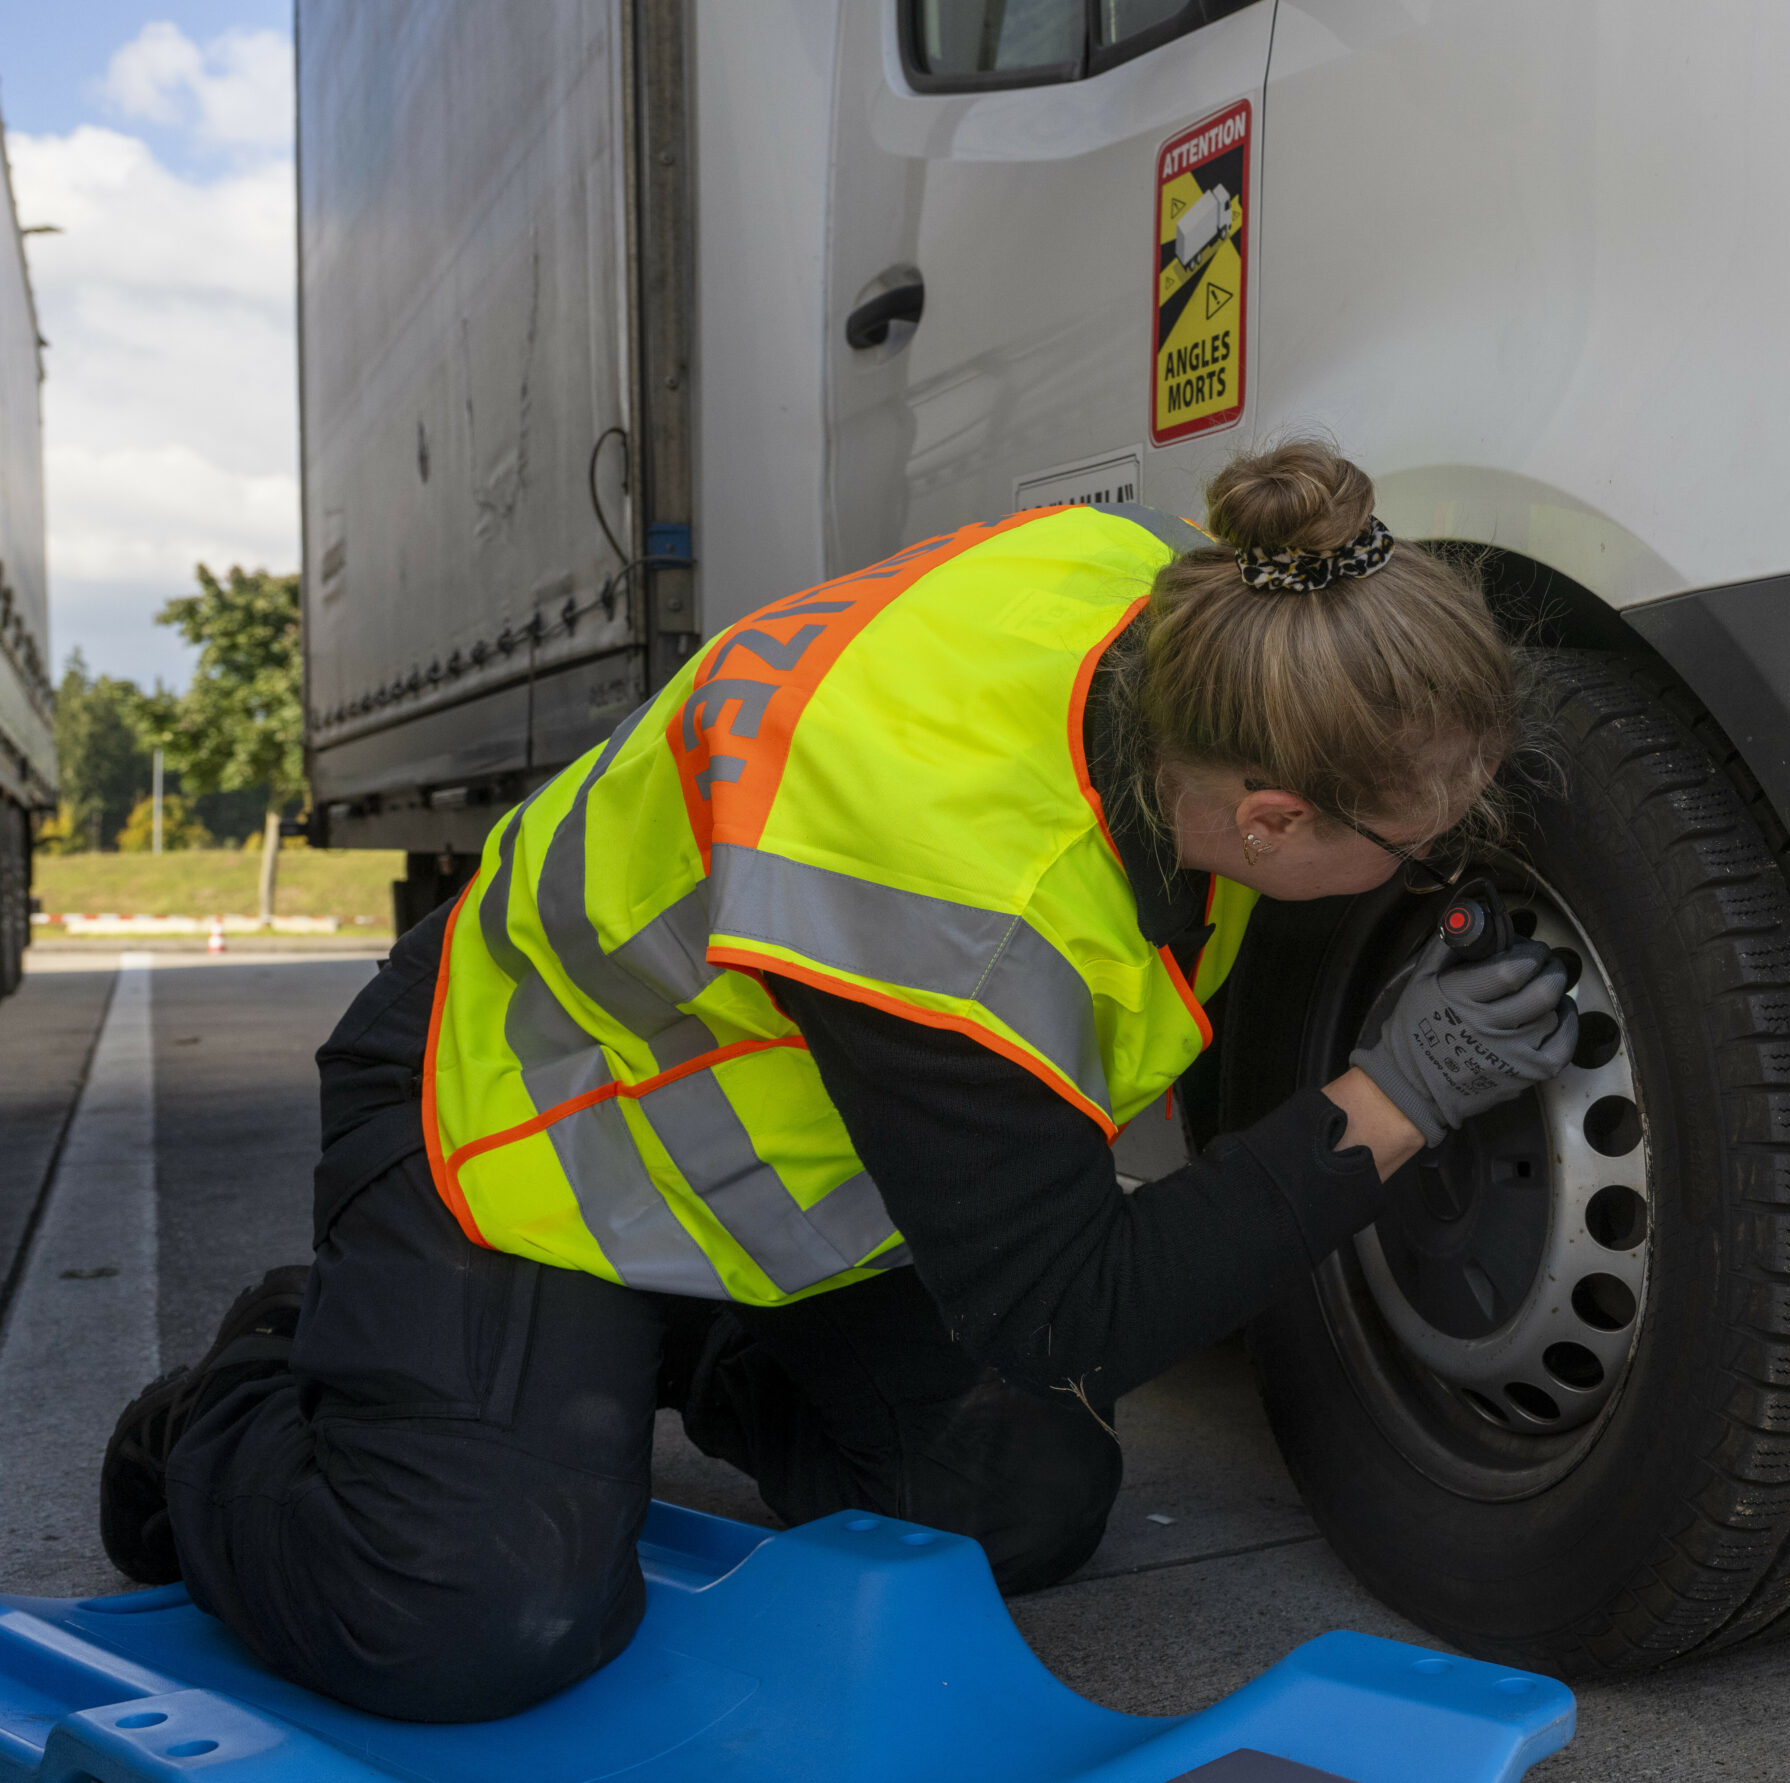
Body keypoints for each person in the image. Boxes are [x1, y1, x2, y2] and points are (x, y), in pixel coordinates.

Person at [96, 442, 1577, 1723]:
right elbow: (1075, 1309)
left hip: (767, 1154)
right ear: (1266, 816)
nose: (1438, 862)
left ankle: (665, 1352)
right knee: (476, 1621)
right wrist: (1393, 1102)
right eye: (1415, 849)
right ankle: (251, 1392)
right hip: (516, 1107)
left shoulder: (1165, 606)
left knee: (1018, 1502)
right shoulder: (957, 902)